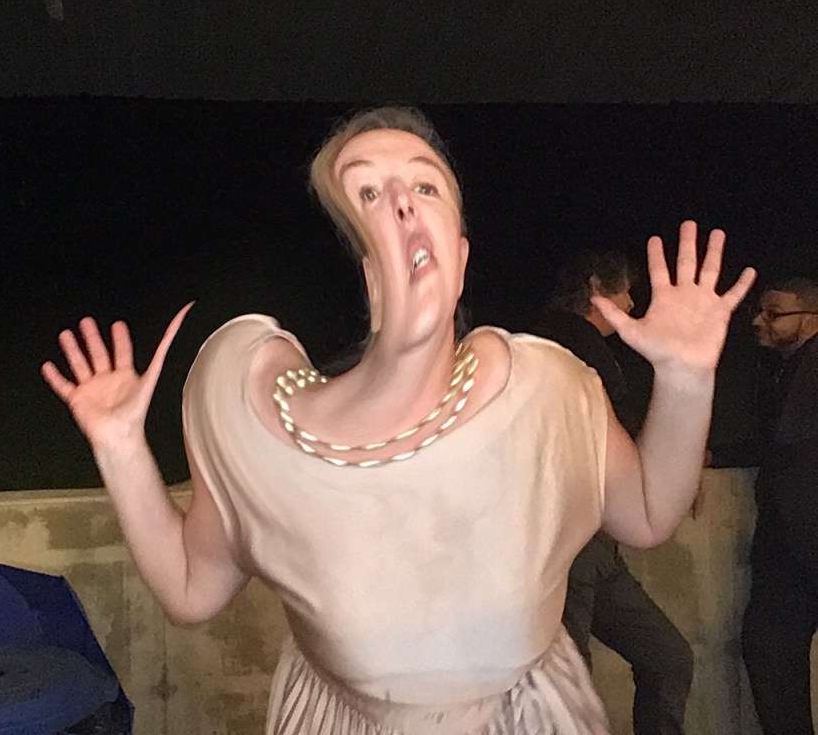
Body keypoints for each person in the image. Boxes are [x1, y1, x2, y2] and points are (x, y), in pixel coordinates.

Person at [41, 106, 755, 734]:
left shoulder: (548, 393)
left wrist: (687, 380)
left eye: (425, 185)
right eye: (369, 193)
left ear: (461, 255)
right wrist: (120, 447)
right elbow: (190, 588)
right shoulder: (269, 436)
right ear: (361, 270)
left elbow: (649, 513)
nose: (403, 203)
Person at [534, 251, 694, 735]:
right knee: (571, 683)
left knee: (667, 657)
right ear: (595, 289)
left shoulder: (556, 340)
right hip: (570, 540)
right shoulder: (570, 343)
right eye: (623, 291)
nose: (630, 304)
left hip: (596, 541)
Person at [711, 278, 818, 735]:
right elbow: (771, 442)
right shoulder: (781, 369)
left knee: (770, 652)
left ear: (810, 319)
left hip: (799, 541)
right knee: (769, 653)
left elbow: (784, 440)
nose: (759, 321)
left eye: (774, 314)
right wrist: (712, 455)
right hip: (788, 543)